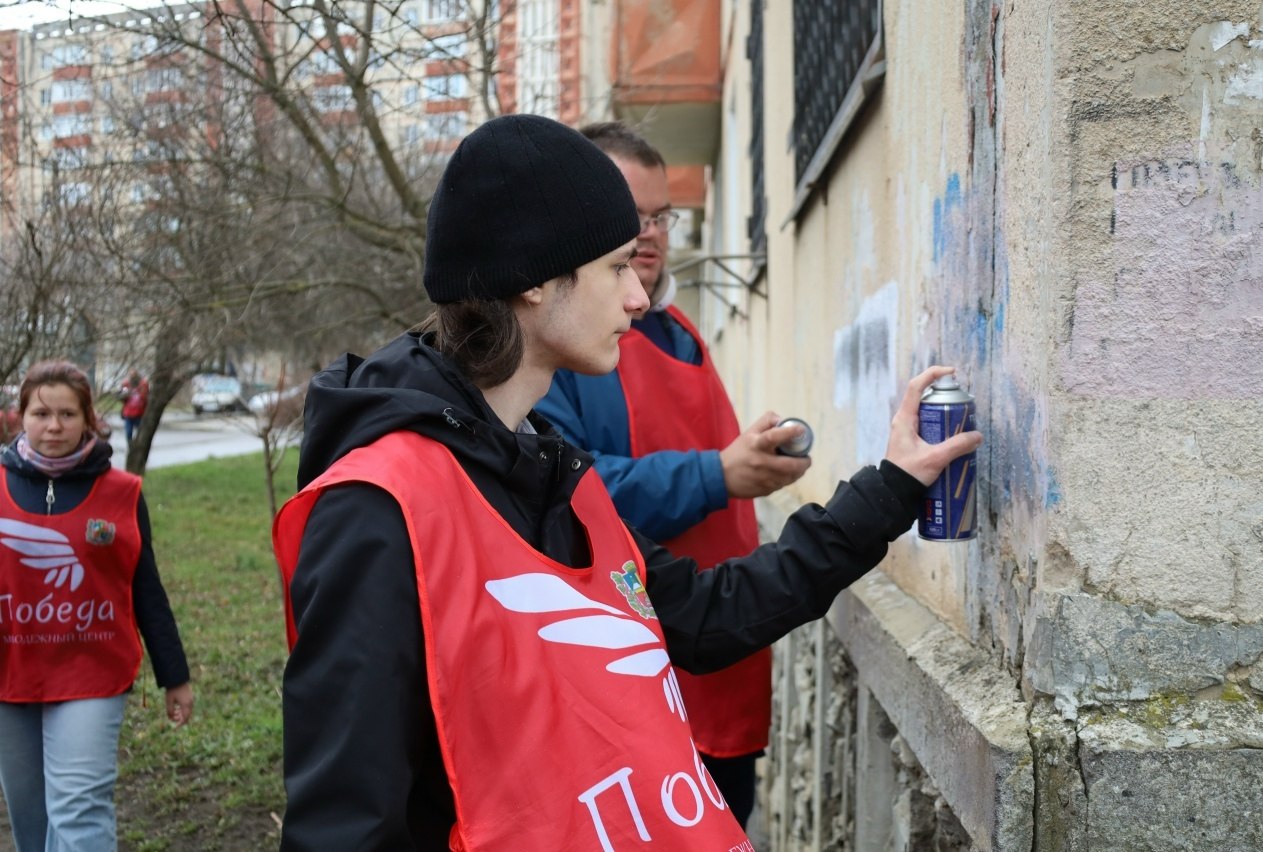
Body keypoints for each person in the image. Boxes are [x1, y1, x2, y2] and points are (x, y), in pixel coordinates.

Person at [272, 114, 981, 851]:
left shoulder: (552, 471)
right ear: (536, 283)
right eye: (616, 267)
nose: (639, 298)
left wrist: (893, 486)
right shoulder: (377, 509)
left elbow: (706, 616)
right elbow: (343, 826)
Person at [535, 121, 804, 826]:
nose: (648, 233)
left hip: (724, 668)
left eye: (659, 215)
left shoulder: (680, 330)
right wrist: (719, 474)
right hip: (638, 682)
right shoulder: (561, 350)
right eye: (630, 216)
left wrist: (752, 463)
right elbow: (577, 499)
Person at [0, 360, 194, 852]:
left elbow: (145, 586)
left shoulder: (121, 492)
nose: (54, 425)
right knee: (31, 818)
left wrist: (175, 675)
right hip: (10, 673)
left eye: (67, 413)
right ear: (19, 416)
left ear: (88, 418)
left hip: (91, 673)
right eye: (41, 413)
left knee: (79, 811)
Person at [119, 370, 148, 445]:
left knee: (141, 433)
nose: (132, 377)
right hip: (128, 413)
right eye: (131, 376)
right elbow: (122, 398)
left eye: (134, 376)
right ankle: (131, 446)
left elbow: (146, 398)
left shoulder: (143, 384)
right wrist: (124, 394)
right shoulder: (126, 384)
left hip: (139, 413)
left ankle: (138, 446)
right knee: (128, 433)